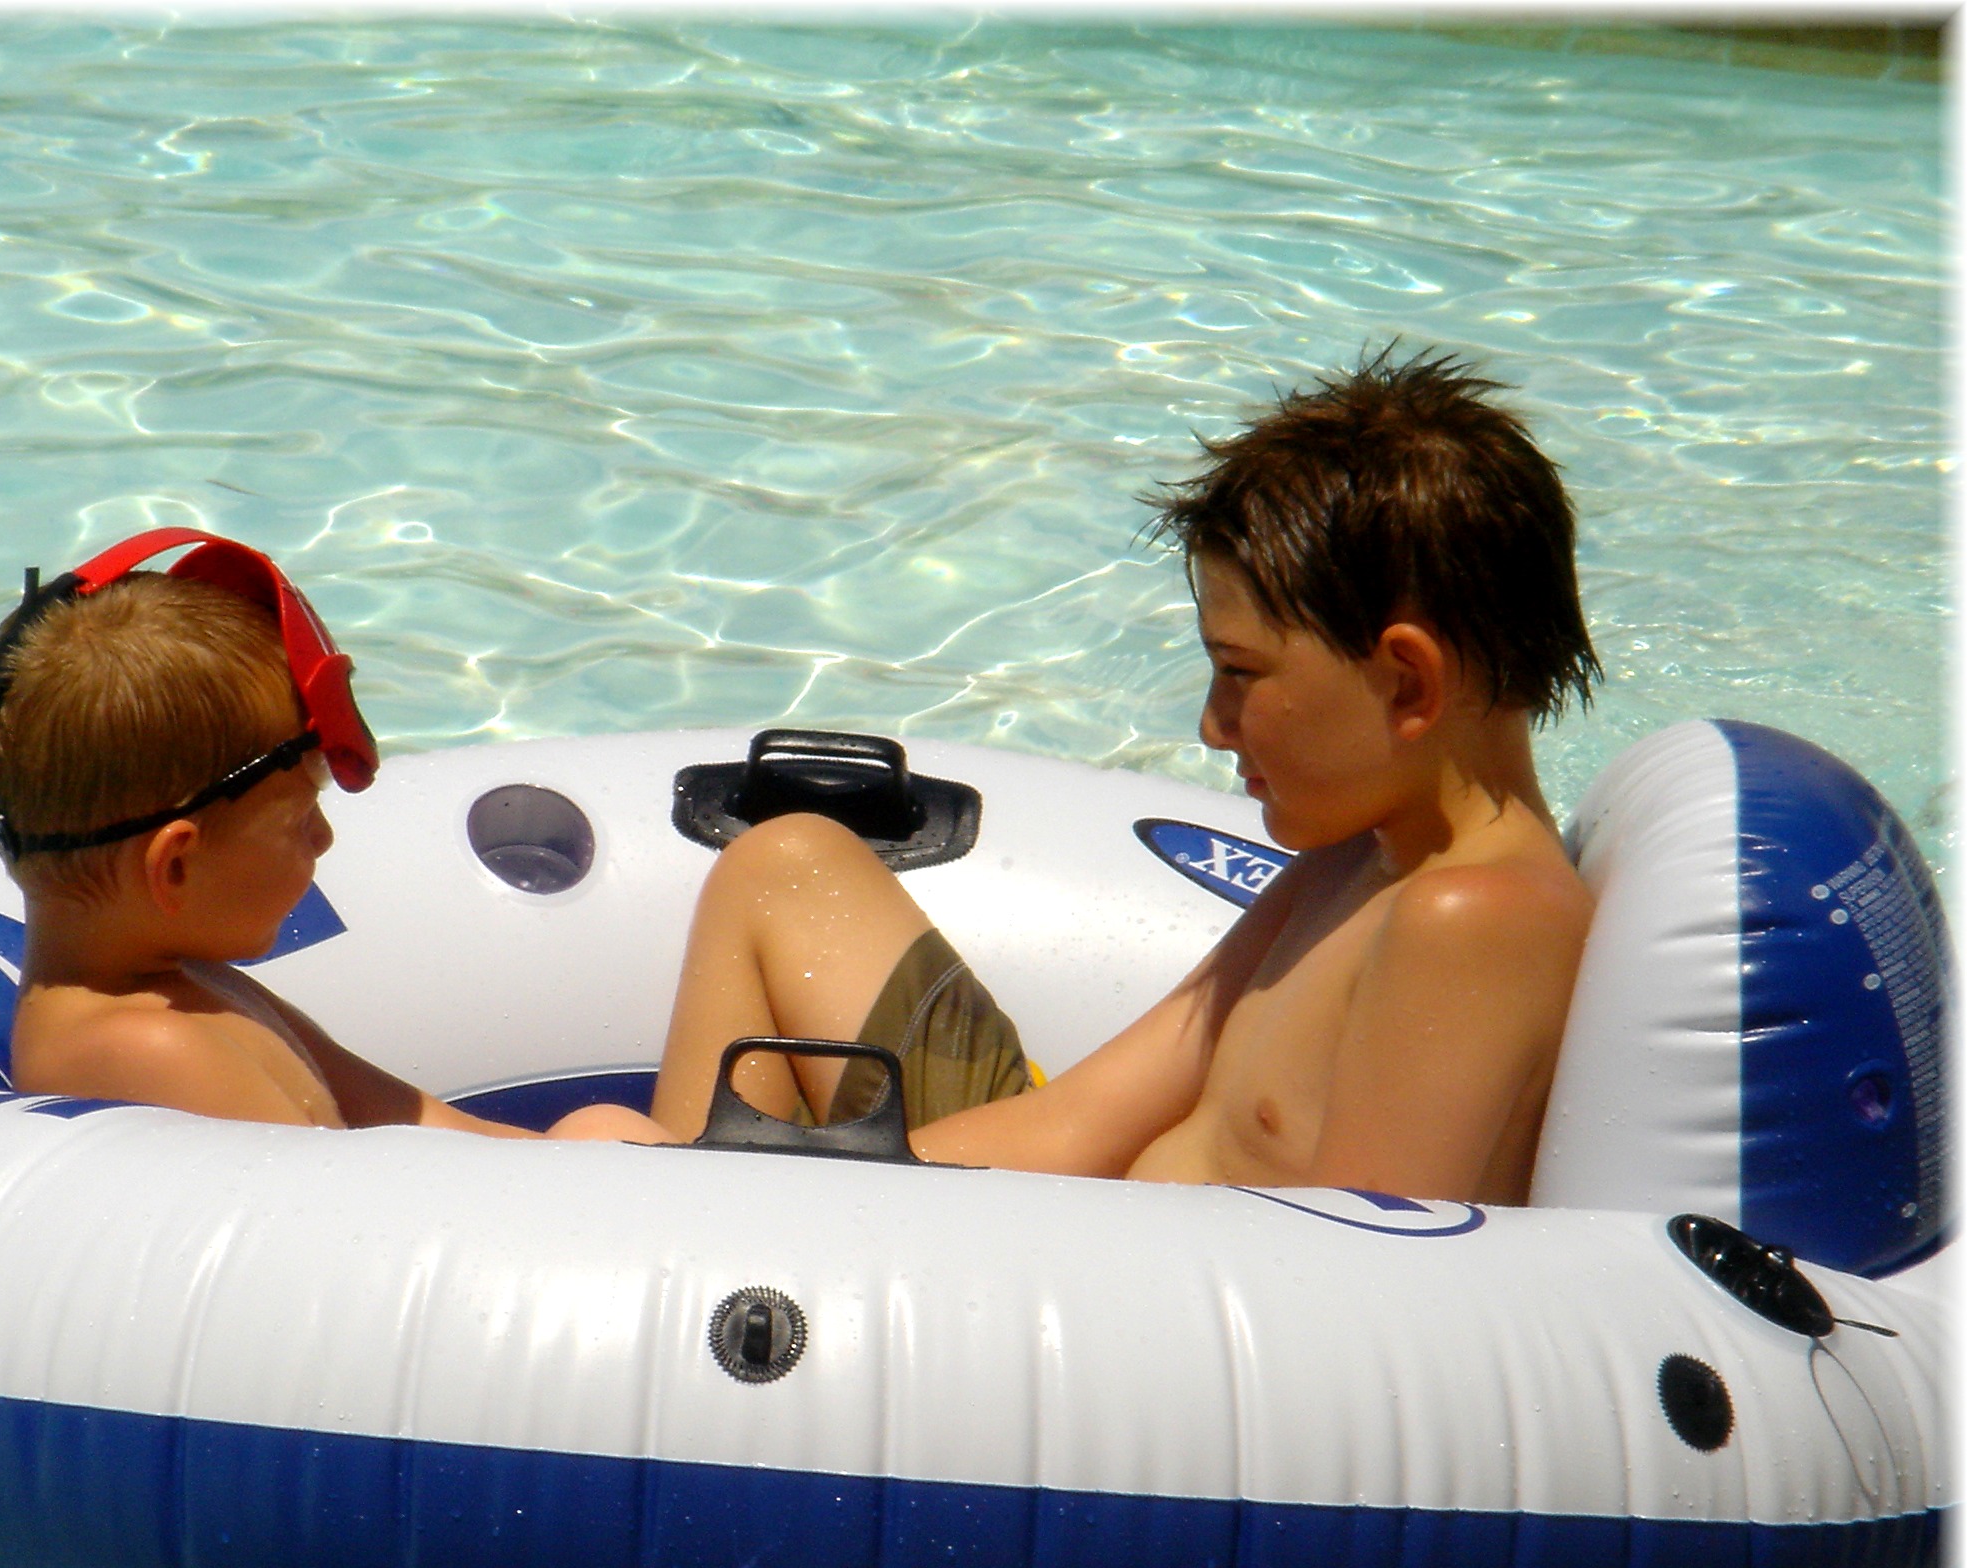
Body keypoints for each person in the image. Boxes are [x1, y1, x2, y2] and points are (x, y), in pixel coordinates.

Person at [584, 347, 1601, 1204]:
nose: (1213, 726)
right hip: (1070, 1225)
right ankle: (697, 1224)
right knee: (784, 865)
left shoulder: (1470, 924)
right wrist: (788, 1192)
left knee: (605, 1144)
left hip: (1114, 1320)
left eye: (1241, 674)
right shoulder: (1355, 864)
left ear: (1408, 681)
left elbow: (1360, 1297)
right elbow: (1077, 1122)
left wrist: (806, 1211)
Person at [0, 525, 623, 1139]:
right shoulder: (145, 1050)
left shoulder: (195, 988)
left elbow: (426, 1124)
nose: (324, 838)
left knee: (599, 1128)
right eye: (302, 815)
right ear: (176, 867)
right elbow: (350, 1214)